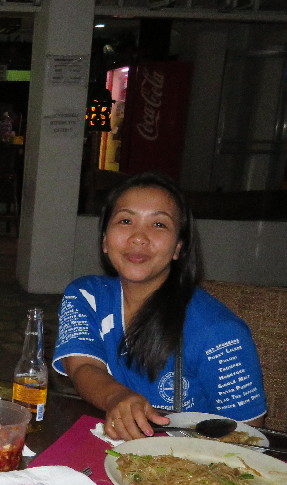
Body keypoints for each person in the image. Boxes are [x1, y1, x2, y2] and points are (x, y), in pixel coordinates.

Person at [53, 172, 266, 442]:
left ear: (178, 247)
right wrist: (117, 397)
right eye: (126, 220)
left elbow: (247, 435)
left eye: (159, 224)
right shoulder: (86, 295)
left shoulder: (219, 332)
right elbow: (82, 366)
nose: (139, 237)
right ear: (105, 240)